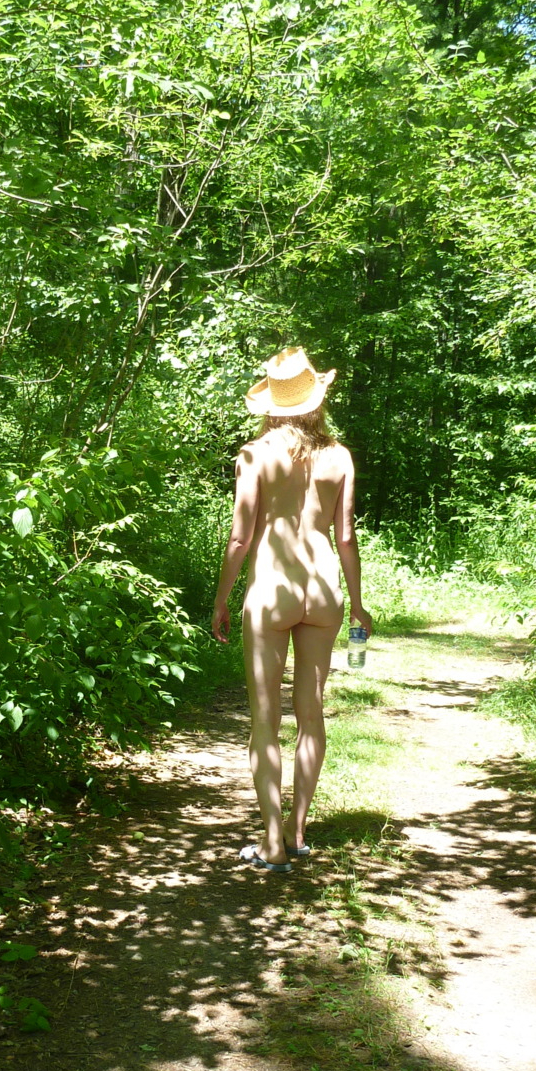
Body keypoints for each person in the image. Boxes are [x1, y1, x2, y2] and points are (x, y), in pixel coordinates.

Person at [211, 347, 372, 872]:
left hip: (272, 590)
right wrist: (359, 605)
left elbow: (241, 536)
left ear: (273, 403)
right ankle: (300, 832)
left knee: (264, 720)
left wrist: (221, 598)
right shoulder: (339, 456)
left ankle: (273, 840)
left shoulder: (255, 455)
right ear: (316, 399)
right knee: (310, 714)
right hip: (323, 587)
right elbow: (345, 537)